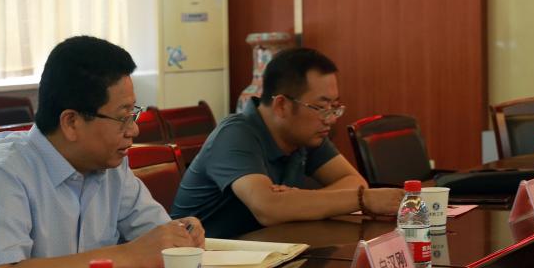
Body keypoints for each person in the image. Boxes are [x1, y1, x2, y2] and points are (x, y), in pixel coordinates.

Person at [0, 36, 204, 268]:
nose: (133, 130)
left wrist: (181, 235)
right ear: (71, 122)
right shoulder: (5, 168)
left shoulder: (111, 164)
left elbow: (155, 240)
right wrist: (132, 255)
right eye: (122, 117)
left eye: (133, 113)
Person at [170, 47, 402, 238]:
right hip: (206, 266)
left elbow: (353, 181)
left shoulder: (307, 134)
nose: (330, 118)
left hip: (267, 253)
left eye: (334, 107)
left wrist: (295, 200)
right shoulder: (235, 135)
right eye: (321, 107)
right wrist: (363, 199)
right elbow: (268, 209)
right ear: (281, 105)